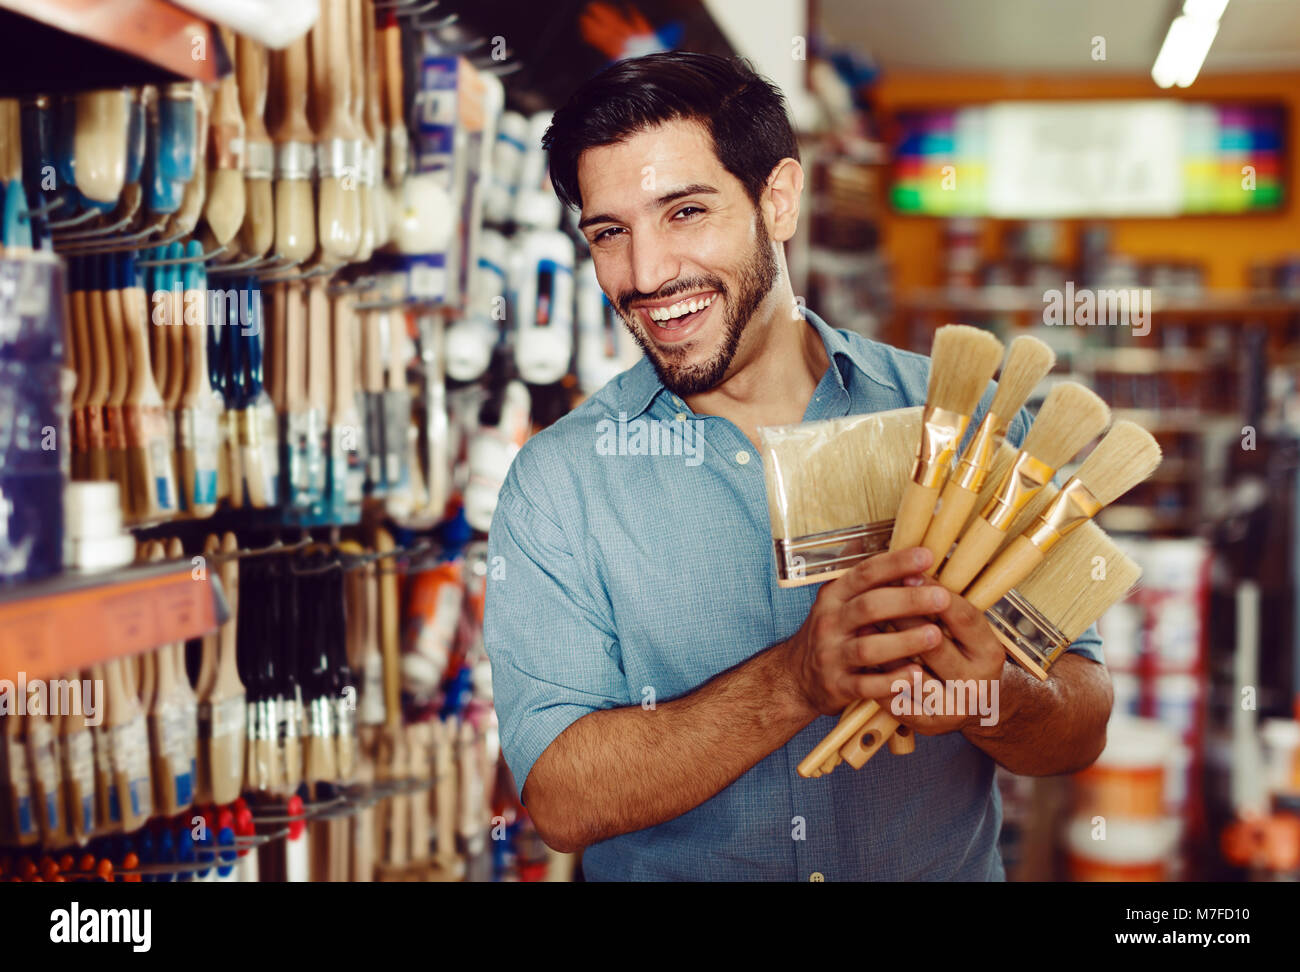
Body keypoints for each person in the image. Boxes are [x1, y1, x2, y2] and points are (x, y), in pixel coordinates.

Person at [483, 51, 1112, 880]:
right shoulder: (557, 486)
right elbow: (561, 800)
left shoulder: (961, 421)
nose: (646, 275)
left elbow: (1081, 728)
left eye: (684, 212)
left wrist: (990, 694)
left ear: (777, 198)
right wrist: (794, 681)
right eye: (610, 233)